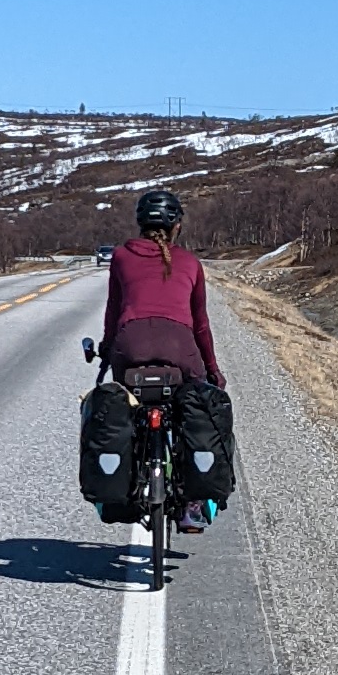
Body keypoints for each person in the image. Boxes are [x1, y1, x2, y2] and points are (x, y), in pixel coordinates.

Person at [100, 188, 227, 530]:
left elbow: (114, 312)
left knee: (129, 411)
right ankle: (193, 504)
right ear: (177, 227)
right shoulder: (190, 262)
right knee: (191, 408)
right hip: (180, 349)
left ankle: (123, 487)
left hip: (130, 349)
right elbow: (201, 324)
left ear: (140, 224)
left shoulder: (122, 256)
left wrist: (105, 349)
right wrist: (212, 370)